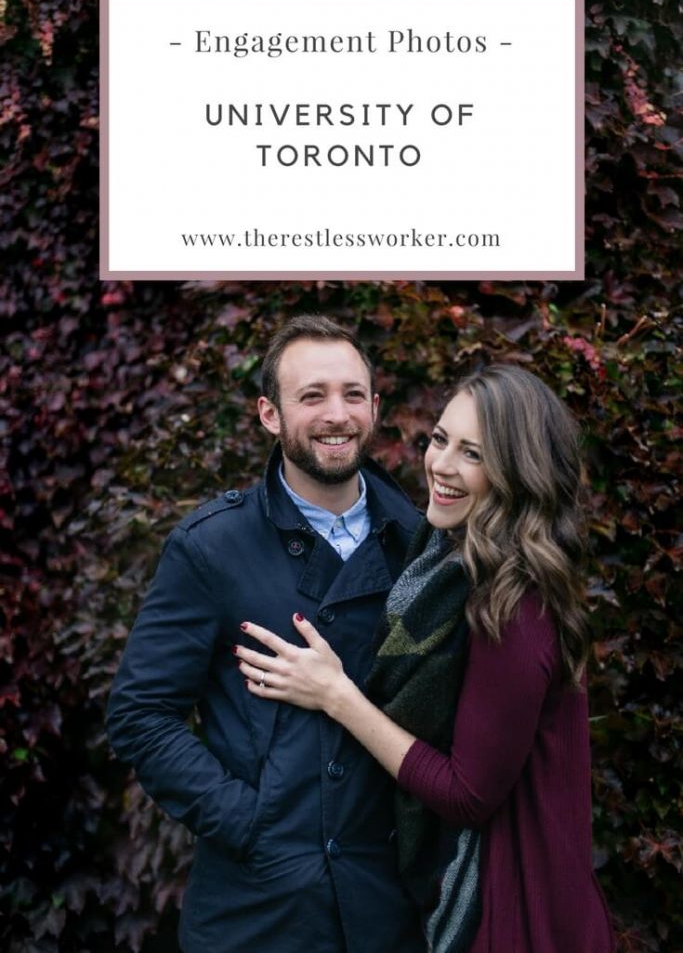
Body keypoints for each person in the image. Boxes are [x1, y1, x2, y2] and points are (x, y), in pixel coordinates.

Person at [235, 364, 616, 953]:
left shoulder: (513, 607)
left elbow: (467, 793)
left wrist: (337, 696)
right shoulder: (451, 568)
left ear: (519, 473)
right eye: (440, 440)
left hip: (516, 916)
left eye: (474, 454)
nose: (440, 465)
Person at [106, 315, 426, 953]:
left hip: (389, 905)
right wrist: (249, 824)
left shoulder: (420, 541)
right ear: (270, 415)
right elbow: (141, 714)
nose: (337, 414)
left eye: (353, 394)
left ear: (375, 408)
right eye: (312, 396)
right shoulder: (212, 547)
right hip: (259, 909)